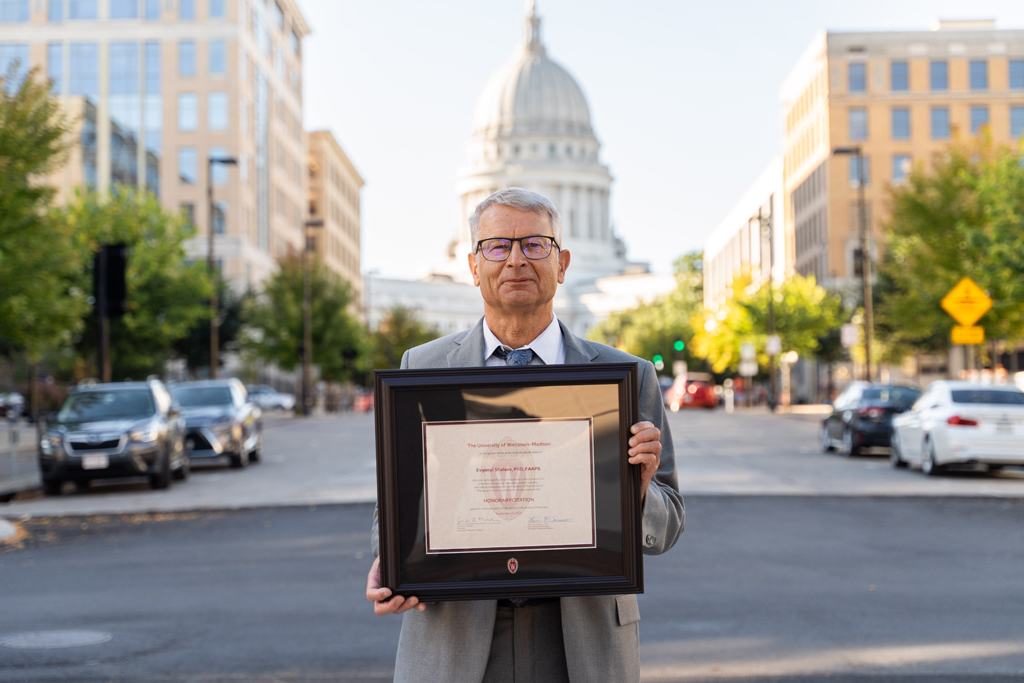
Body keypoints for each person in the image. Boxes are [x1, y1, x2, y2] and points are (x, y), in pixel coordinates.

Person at [366, 188, 684, 682]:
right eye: (497, 246)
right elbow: (398, 501)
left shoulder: (626, 377)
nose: (516, 259)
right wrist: (390, 558)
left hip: (580, 640)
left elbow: (669, 526)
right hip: (458, 638)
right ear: (474, 267)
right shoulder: (422, 368)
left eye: (535, 245)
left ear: (562, 263)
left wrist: (638, 492)